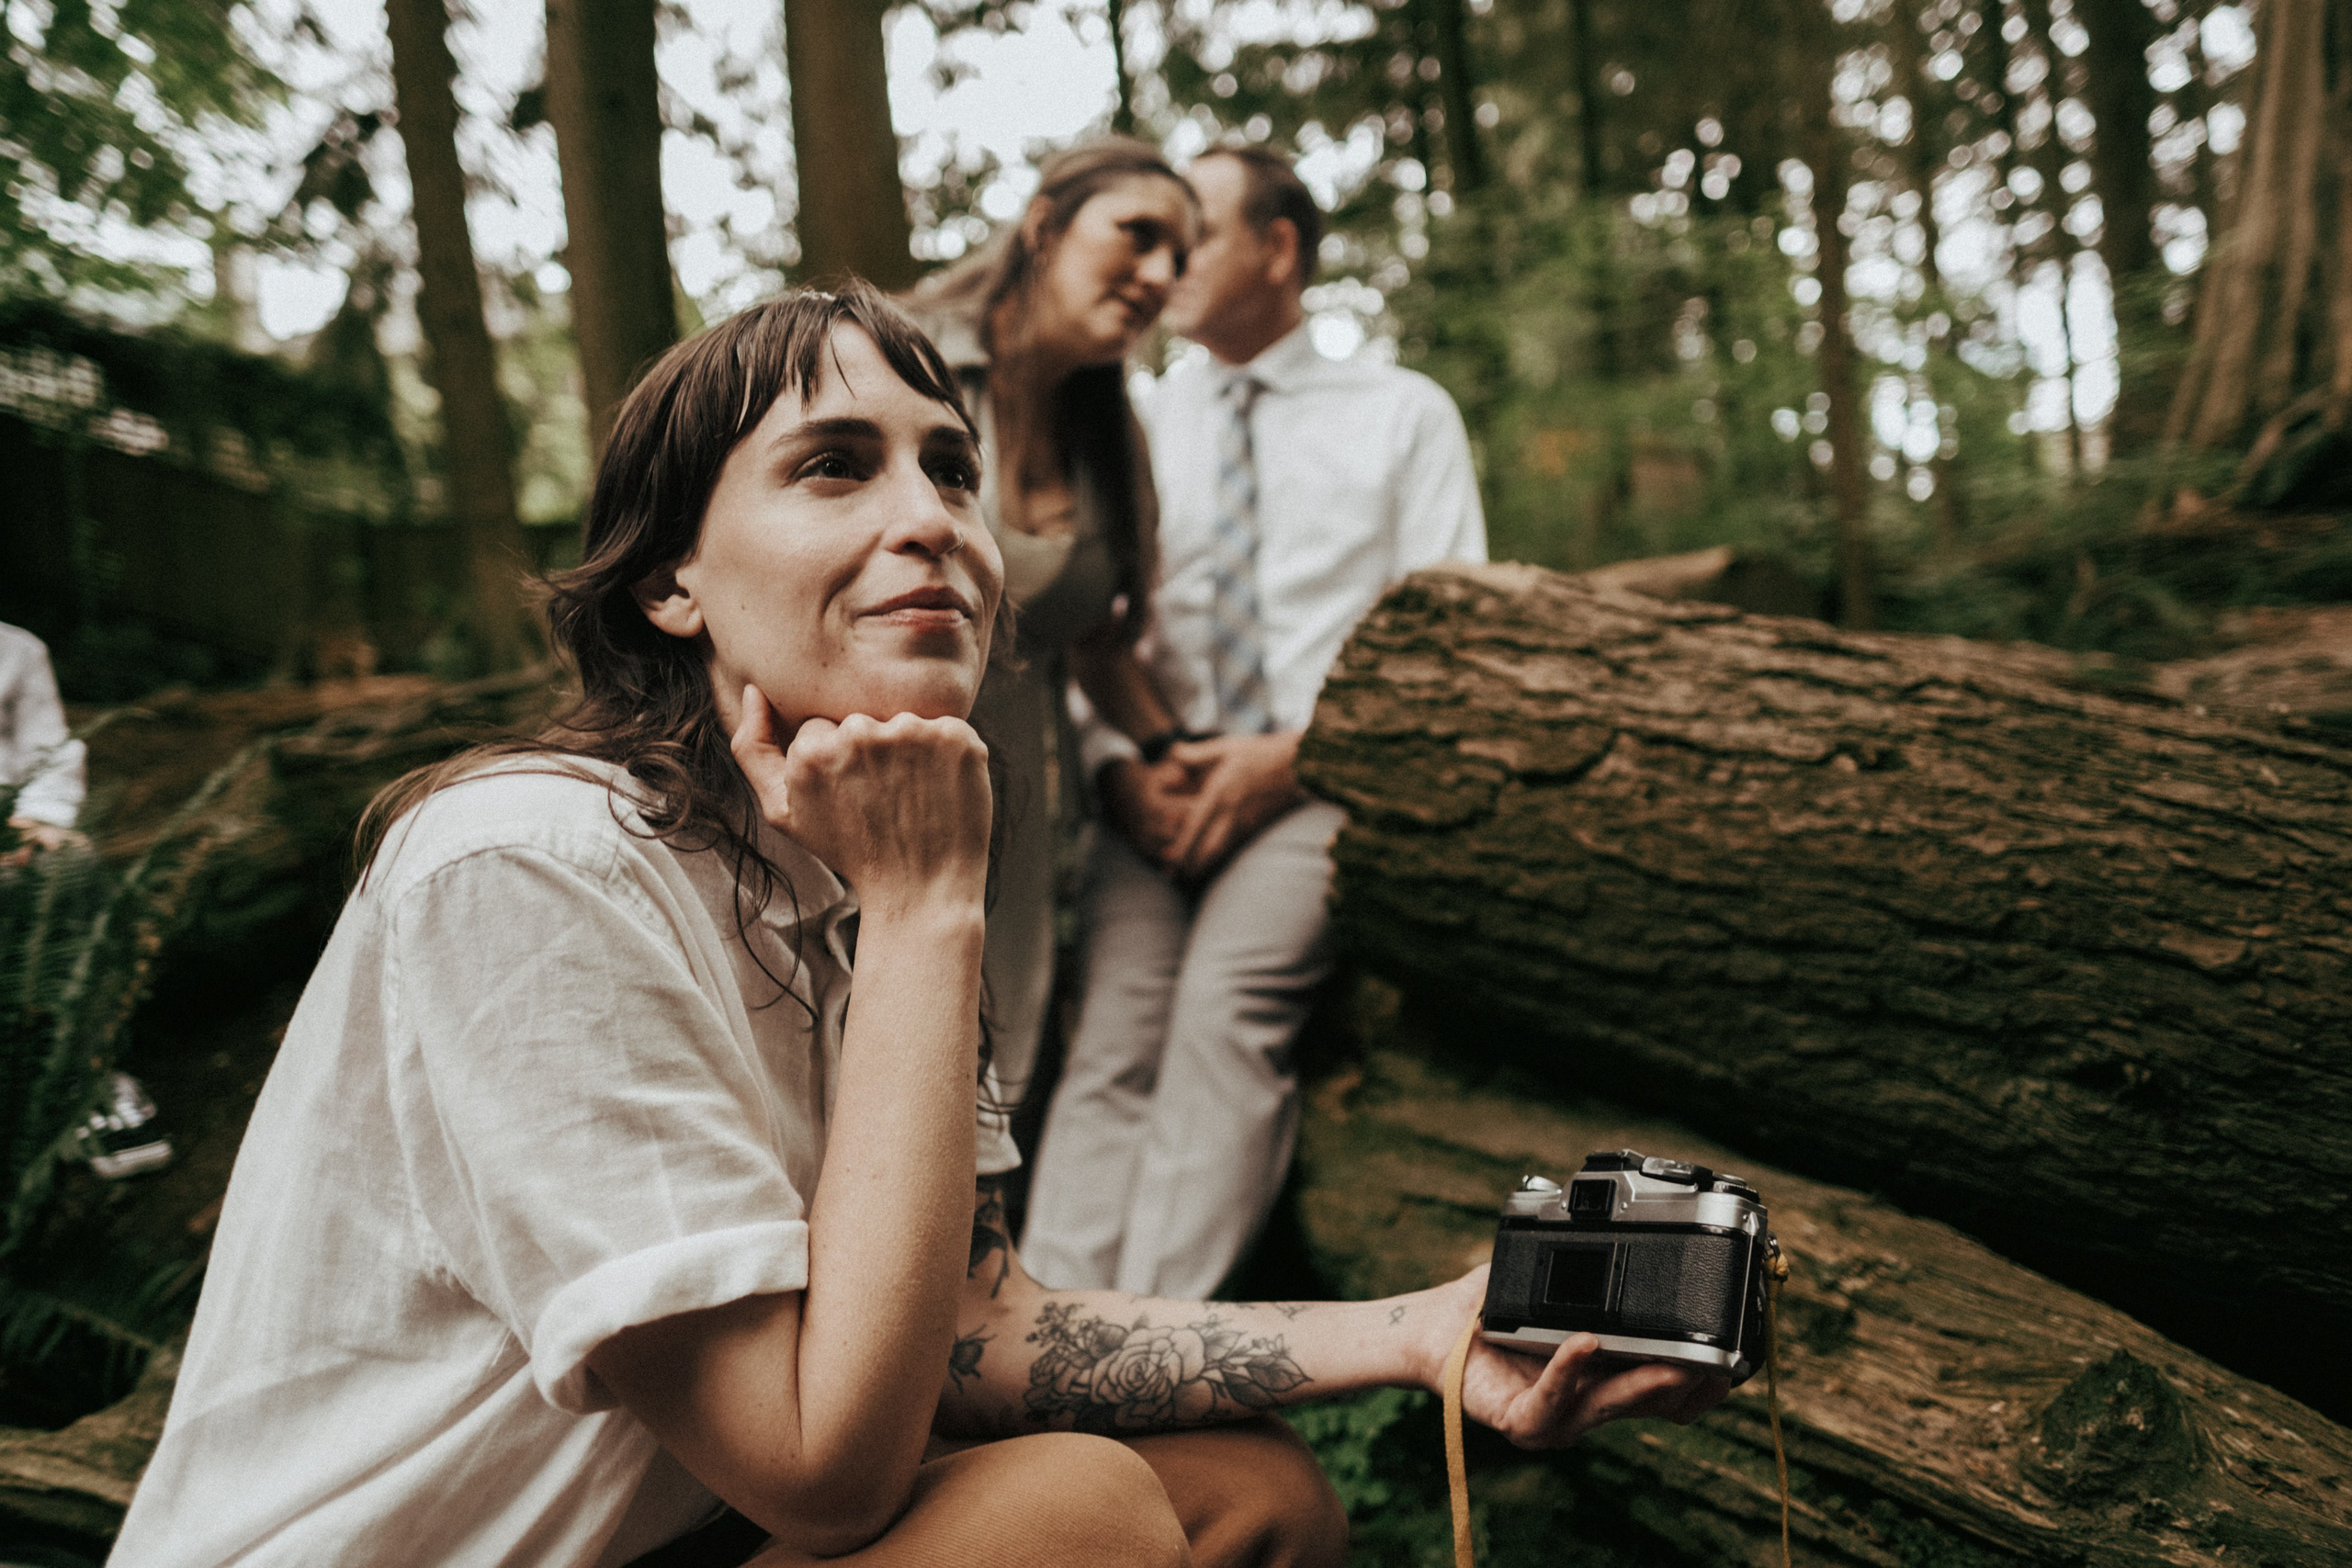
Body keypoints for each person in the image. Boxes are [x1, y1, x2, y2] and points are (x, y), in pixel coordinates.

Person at [109, 285, 1721, 1567]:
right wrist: (933, 909)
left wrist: (1419, 1329)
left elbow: (975, 1324)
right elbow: (820, 1471)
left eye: (950, 465)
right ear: (672, 581)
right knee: (1072, 1519)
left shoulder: (852, 855)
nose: (935, 515)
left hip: (673, 1529)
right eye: (835, 464)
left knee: (1250, 1491)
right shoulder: (532, 865)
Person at [1023, 147, 1488, 1300]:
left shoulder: (1401, 415)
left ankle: (1150, 1348)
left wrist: (1292, 764)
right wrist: (1120, 770)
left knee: (1226, 1013)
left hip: (1319, 793)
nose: (1166, 267)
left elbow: (1450, 645)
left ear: (1279, 248)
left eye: (1201, 237)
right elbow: (1095, 631)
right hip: (1149, 797)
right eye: (1154, 238)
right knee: (1112, 1042)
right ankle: (1035, 1343)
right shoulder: (1125, 423)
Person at [897, 139, 1196, 1103]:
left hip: (1017, 815)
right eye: (1137, 236)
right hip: (868, 774)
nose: (1158, 276)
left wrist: (1183, 762)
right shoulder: (895, 355)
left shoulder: (1115, 439)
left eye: (1179, 260)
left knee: (993, 1079)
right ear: (1044, 227)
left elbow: (1098, 648)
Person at [0, 621, 87, 862]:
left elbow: (48, 747)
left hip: (6, 811)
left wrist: (41, 817)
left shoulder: (19, 649)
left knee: (68, 863)